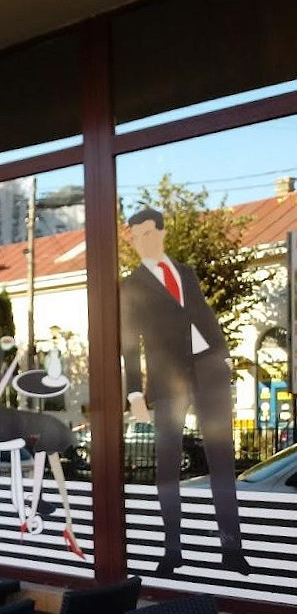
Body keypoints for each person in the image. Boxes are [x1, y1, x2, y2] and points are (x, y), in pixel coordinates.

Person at [120, 207, 251, 576]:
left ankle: (232, 549)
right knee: (168, 467)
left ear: (161, 233)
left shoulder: (187, 273)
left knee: (222, 462)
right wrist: (134, 394)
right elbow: (129, 343)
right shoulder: (132, 286)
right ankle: (173, 550)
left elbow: (204, 315)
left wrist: (223, 357)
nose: (141, 241)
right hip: (167, 381)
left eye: (147, 233)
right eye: (135, 237)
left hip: (209, 372)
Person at [0, 291, 84, 559]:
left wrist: (12, 363)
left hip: (4, 414)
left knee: (47, 428)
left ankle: (46, 504)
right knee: (46, 427)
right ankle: (42, 501)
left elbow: (1, 382)